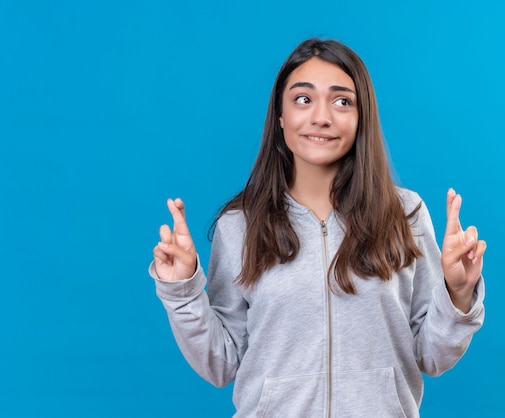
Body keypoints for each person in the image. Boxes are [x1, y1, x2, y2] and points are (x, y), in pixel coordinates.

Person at [149, 38, 486, 417]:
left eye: (342, 101)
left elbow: (432, 355)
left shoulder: (404, 214)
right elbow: (222, 363)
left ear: (362, 117)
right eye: (303, 99)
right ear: (280, 115)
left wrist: (458, 293)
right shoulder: (240, 225)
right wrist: (181, 291)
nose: (321, 117)